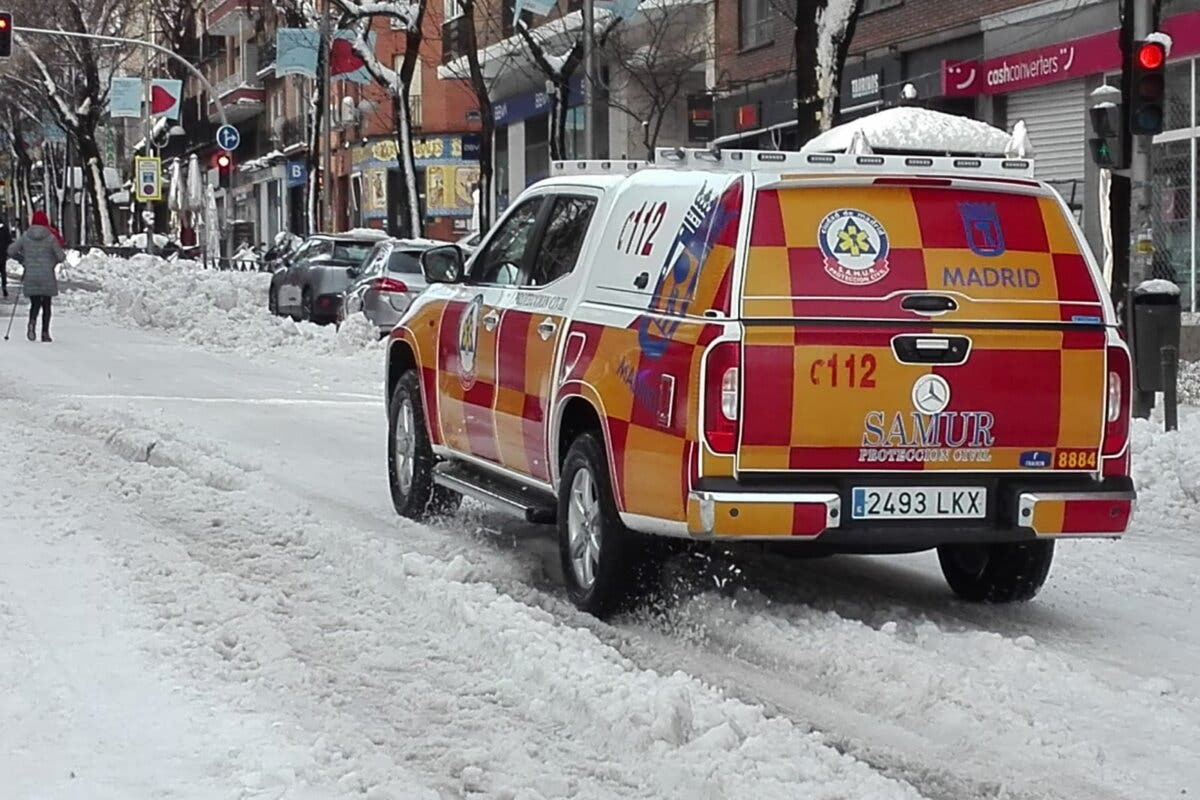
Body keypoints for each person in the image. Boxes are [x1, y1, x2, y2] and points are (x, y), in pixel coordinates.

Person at [7, 210, 66, 342]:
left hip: (31, 274)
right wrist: (52, 262)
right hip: (47, 275)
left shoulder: (26, 236)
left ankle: (32, 322)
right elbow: (61, 256)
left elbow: (11, 250)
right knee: (46, 304)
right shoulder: (51, 237)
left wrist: (23, 260)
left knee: (35, 303)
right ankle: (45, 333)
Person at [0, 220, 12, 298]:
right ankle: (4, 287)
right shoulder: (4, 228)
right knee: (2, 271)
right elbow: (9, 241)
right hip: (2, 253)